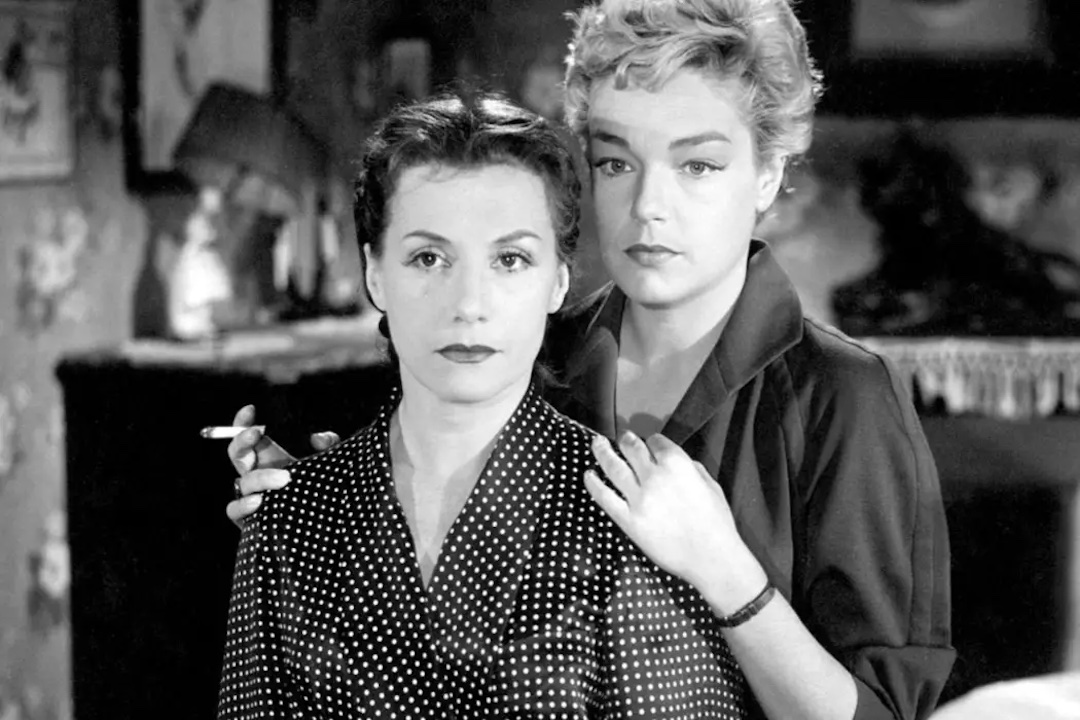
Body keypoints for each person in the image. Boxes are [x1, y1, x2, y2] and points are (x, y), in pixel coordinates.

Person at [225, 1, 955, 718]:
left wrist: (728, 573)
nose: (648, 206)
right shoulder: (519, 348)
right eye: (616, 162)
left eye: (698, 165)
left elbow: (884, 713)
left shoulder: (843, 398)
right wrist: (328, 508)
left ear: (767, 173)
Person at [219, 88, 781, 718]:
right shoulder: (291, 518)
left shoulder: (635, 517)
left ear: (558, 281)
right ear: (375, 274)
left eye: (510, 259)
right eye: (429, 258)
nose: (469, 304)